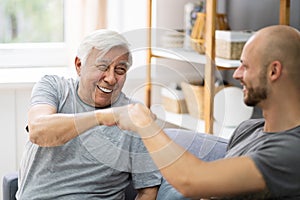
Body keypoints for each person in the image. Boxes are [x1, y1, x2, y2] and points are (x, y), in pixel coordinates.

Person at [103, 25, 300, 199]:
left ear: (273, 71)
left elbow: (191, 181)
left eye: (245, 66)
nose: (236, 74)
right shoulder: (248, 130)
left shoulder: (291, 151)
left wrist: (145, 124)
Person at [16, 29, 161, 200]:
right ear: (79, 65)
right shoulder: (54, 87)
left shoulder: (135, 114)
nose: (111, 78)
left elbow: (148, 189)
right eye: (102, 67)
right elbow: (39, 132)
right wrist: (104, 117)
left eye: (120, 70)